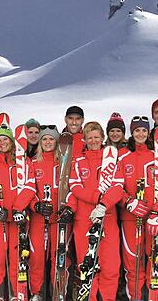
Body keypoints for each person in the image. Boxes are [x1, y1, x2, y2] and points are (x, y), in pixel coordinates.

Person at [115, 116, 158, 301]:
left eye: (143, 130)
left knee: (156, 258)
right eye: (136, 130)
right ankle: (135, 296)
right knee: (132, 260)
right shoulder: (123, 155)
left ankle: (155, 295)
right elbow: (115, 186)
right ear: (131, 133)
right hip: (130, 217)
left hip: (154, 218)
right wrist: (128, 201)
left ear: (149, 133)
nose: (140, 134)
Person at [66, 121, 124, 301]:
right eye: (90, 137)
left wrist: (104, 204)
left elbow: (118, 187)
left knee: (111, 266)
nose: (93, 140)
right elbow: (74, 186)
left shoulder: (112, 160)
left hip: (107, 217)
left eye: (96, 137)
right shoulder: (78, 161)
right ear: (84, 139)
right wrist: (97, 197)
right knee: (87, 265)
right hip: (84, 219)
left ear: (102, 138)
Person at [0, 124, 36, 301]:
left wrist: (19, 208)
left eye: (5, 139)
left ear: (11, 140)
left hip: (18, 217)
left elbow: (30, 186)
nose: (2, 143)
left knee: (17, 257)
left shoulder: (23, 162)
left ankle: (17, 293)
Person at [28, 124, 61, 301]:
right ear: (40, 142)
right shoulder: (32, 163)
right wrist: (35, 205)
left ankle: (57, 290)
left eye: (51, 139)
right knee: (37, 257)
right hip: (38, 218)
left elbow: (70, 188)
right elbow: (28, 189)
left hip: (58, 218)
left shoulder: (63, 163)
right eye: (45, 139)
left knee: (58, 256)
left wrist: (66, 207)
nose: (48, 142)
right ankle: (37, 292)